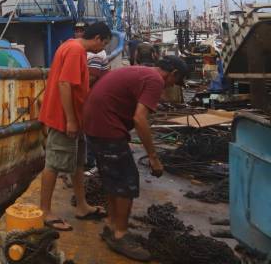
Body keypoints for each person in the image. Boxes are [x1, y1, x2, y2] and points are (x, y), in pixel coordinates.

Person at [83, 56, 189, 261]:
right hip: (106, 125)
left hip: (94, 123)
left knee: (113, 179)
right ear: (173, 73)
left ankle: (112, 226)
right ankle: (120, 235)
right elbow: (139, 119)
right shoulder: (156, 80)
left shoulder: (142, 72)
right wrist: (153, 156)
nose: (171, 87)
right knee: (126, 182)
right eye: (175, 81)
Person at [39, 21, 112, 231]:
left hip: (75, 119)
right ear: (97, 38)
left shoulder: (71, 46)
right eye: (104, 44)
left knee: (78, 162)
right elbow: (65, 84)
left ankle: (82, 205)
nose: (103, 49)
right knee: (53, 164)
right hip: (63, 119)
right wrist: (70, 120)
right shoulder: (75, 50)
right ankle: (45, 211)